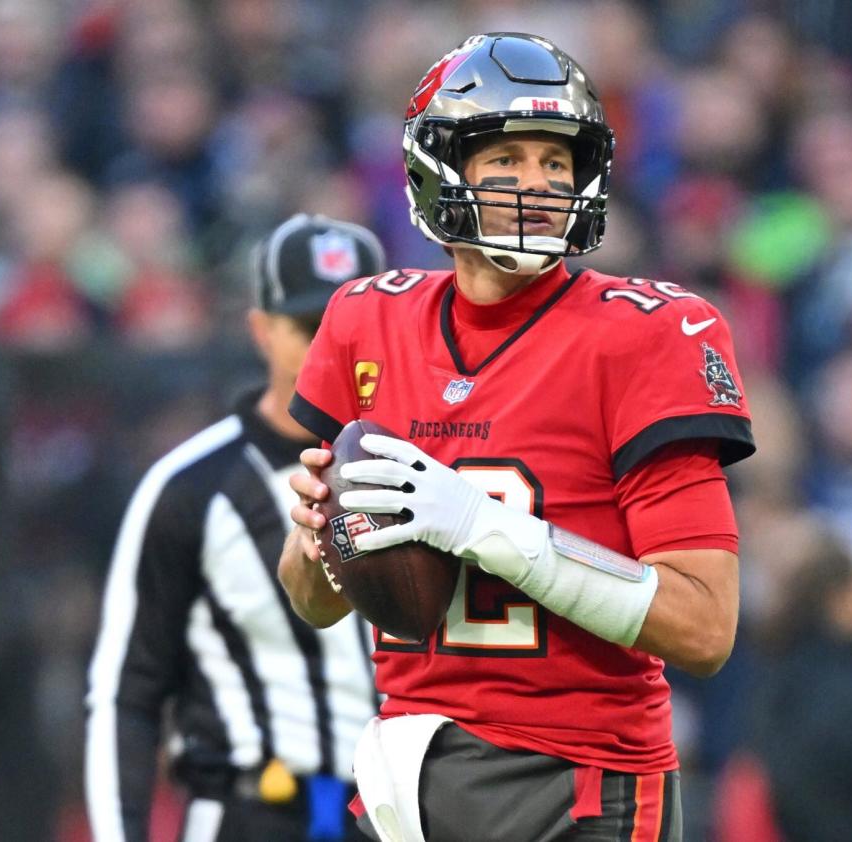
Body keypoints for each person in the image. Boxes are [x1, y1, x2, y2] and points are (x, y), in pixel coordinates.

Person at [278, 33, 755, 842]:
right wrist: (328, 537)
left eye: (556, 162)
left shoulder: (646, 335)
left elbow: (706, 628)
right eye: (506, 160)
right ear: (439, 172)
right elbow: (312, 599)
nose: (537, 184)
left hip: (575, 781)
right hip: (402, 768)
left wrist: (485, 531)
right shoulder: (367, 320)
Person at [85, 214, 387, 842]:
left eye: (355, 328)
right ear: (260, 331)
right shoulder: (190, 488)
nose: (334, 348)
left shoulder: (433, 470)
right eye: (310, 328)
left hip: (404, 813)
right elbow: (128, 692)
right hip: (249, 816)